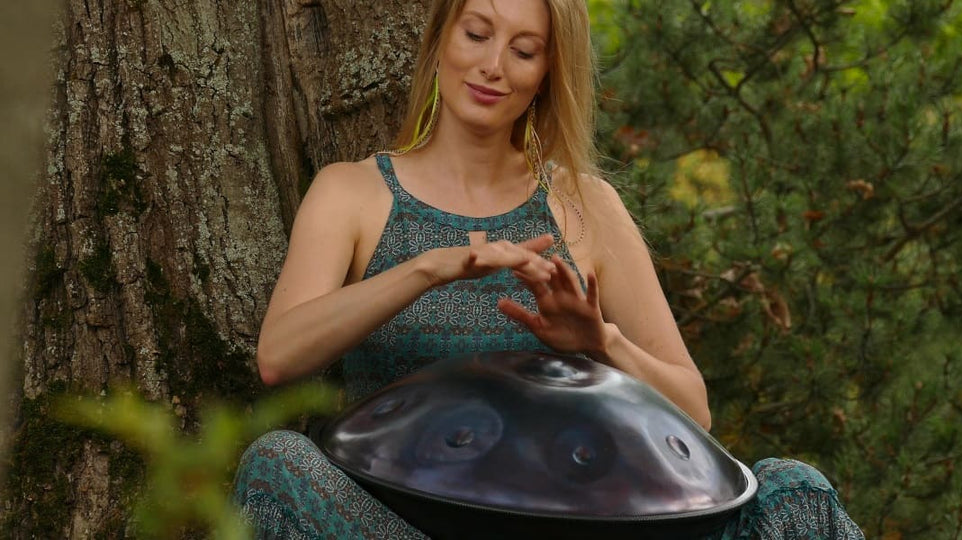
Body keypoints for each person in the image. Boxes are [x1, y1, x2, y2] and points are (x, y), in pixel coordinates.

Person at [233, 0, 865, 538]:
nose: (492, 66)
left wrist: (603, 342)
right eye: (477, 34)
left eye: (524, 50)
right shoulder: (353, 192)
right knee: (277, 461)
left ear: (547, 73)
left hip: (574, 520)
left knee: (794, 491)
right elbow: (279, 356)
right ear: (440, 38)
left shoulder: (585, 205)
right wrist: (426, 268)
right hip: (405, 519)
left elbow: (694, 413)